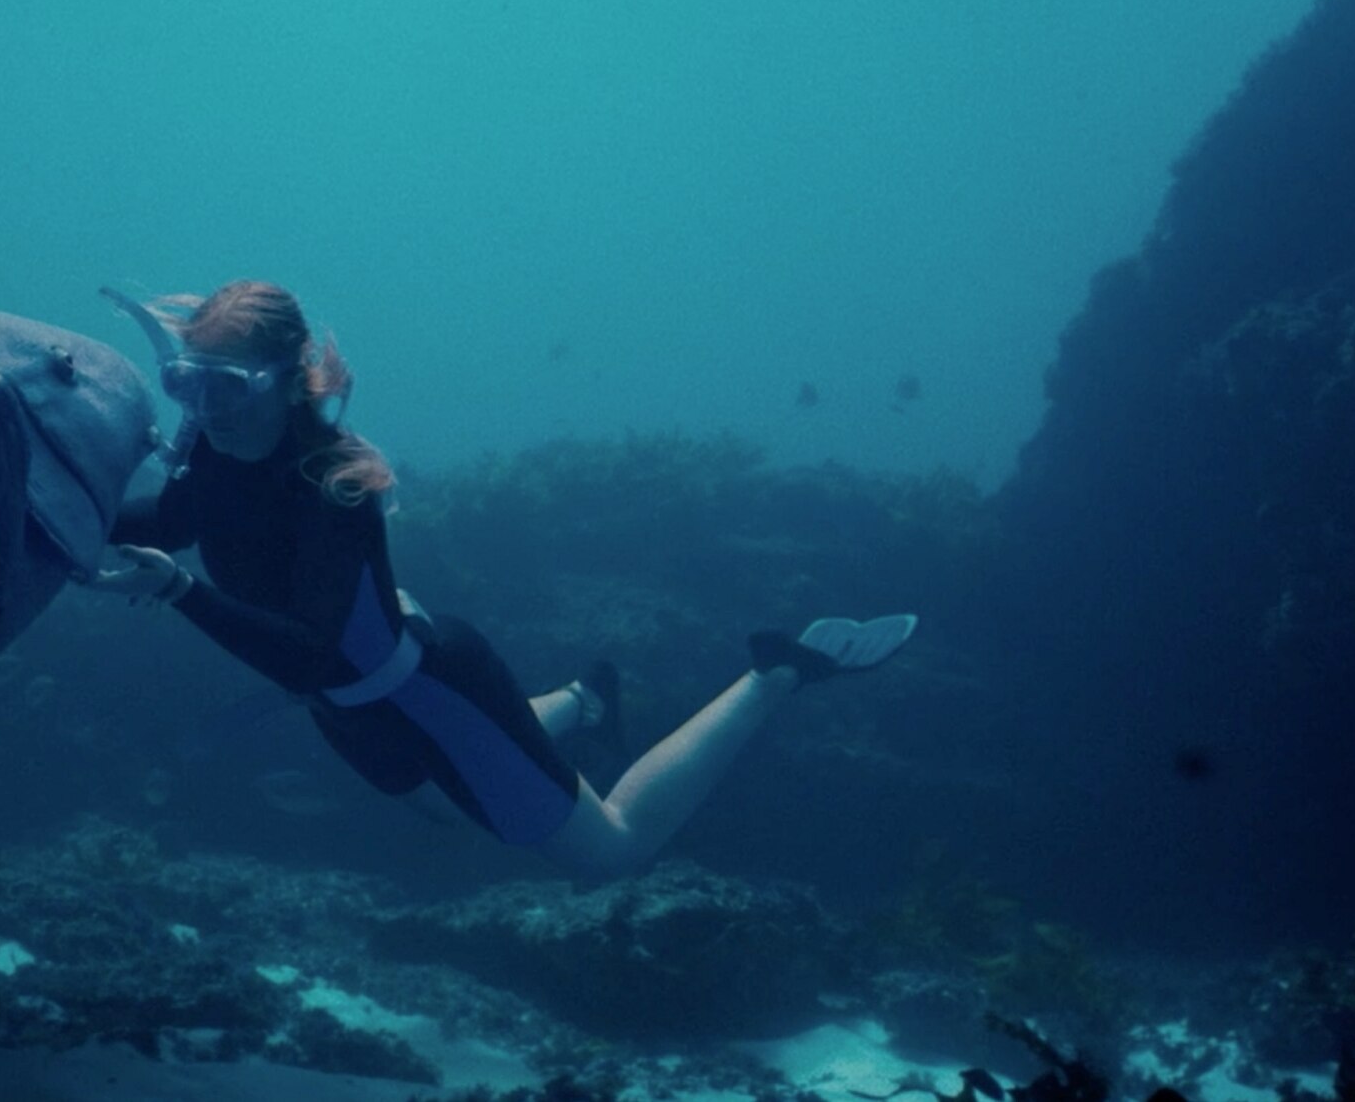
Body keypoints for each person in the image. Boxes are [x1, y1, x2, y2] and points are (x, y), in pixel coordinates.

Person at [82, 280, 913, 878]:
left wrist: (176, 592)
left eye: (224, 386)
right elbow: (180, 522)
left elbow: (306, 656)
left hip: (428, 694)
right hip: (354, 710)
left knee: (610, 853)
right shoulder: (215, 451)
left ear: (285, 380)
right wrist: (50, 512)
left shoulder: (336, 485)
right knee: (446, 816)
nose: (205, 408)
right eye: (185, 382)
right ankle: (585, 700)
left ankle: (775, 673)